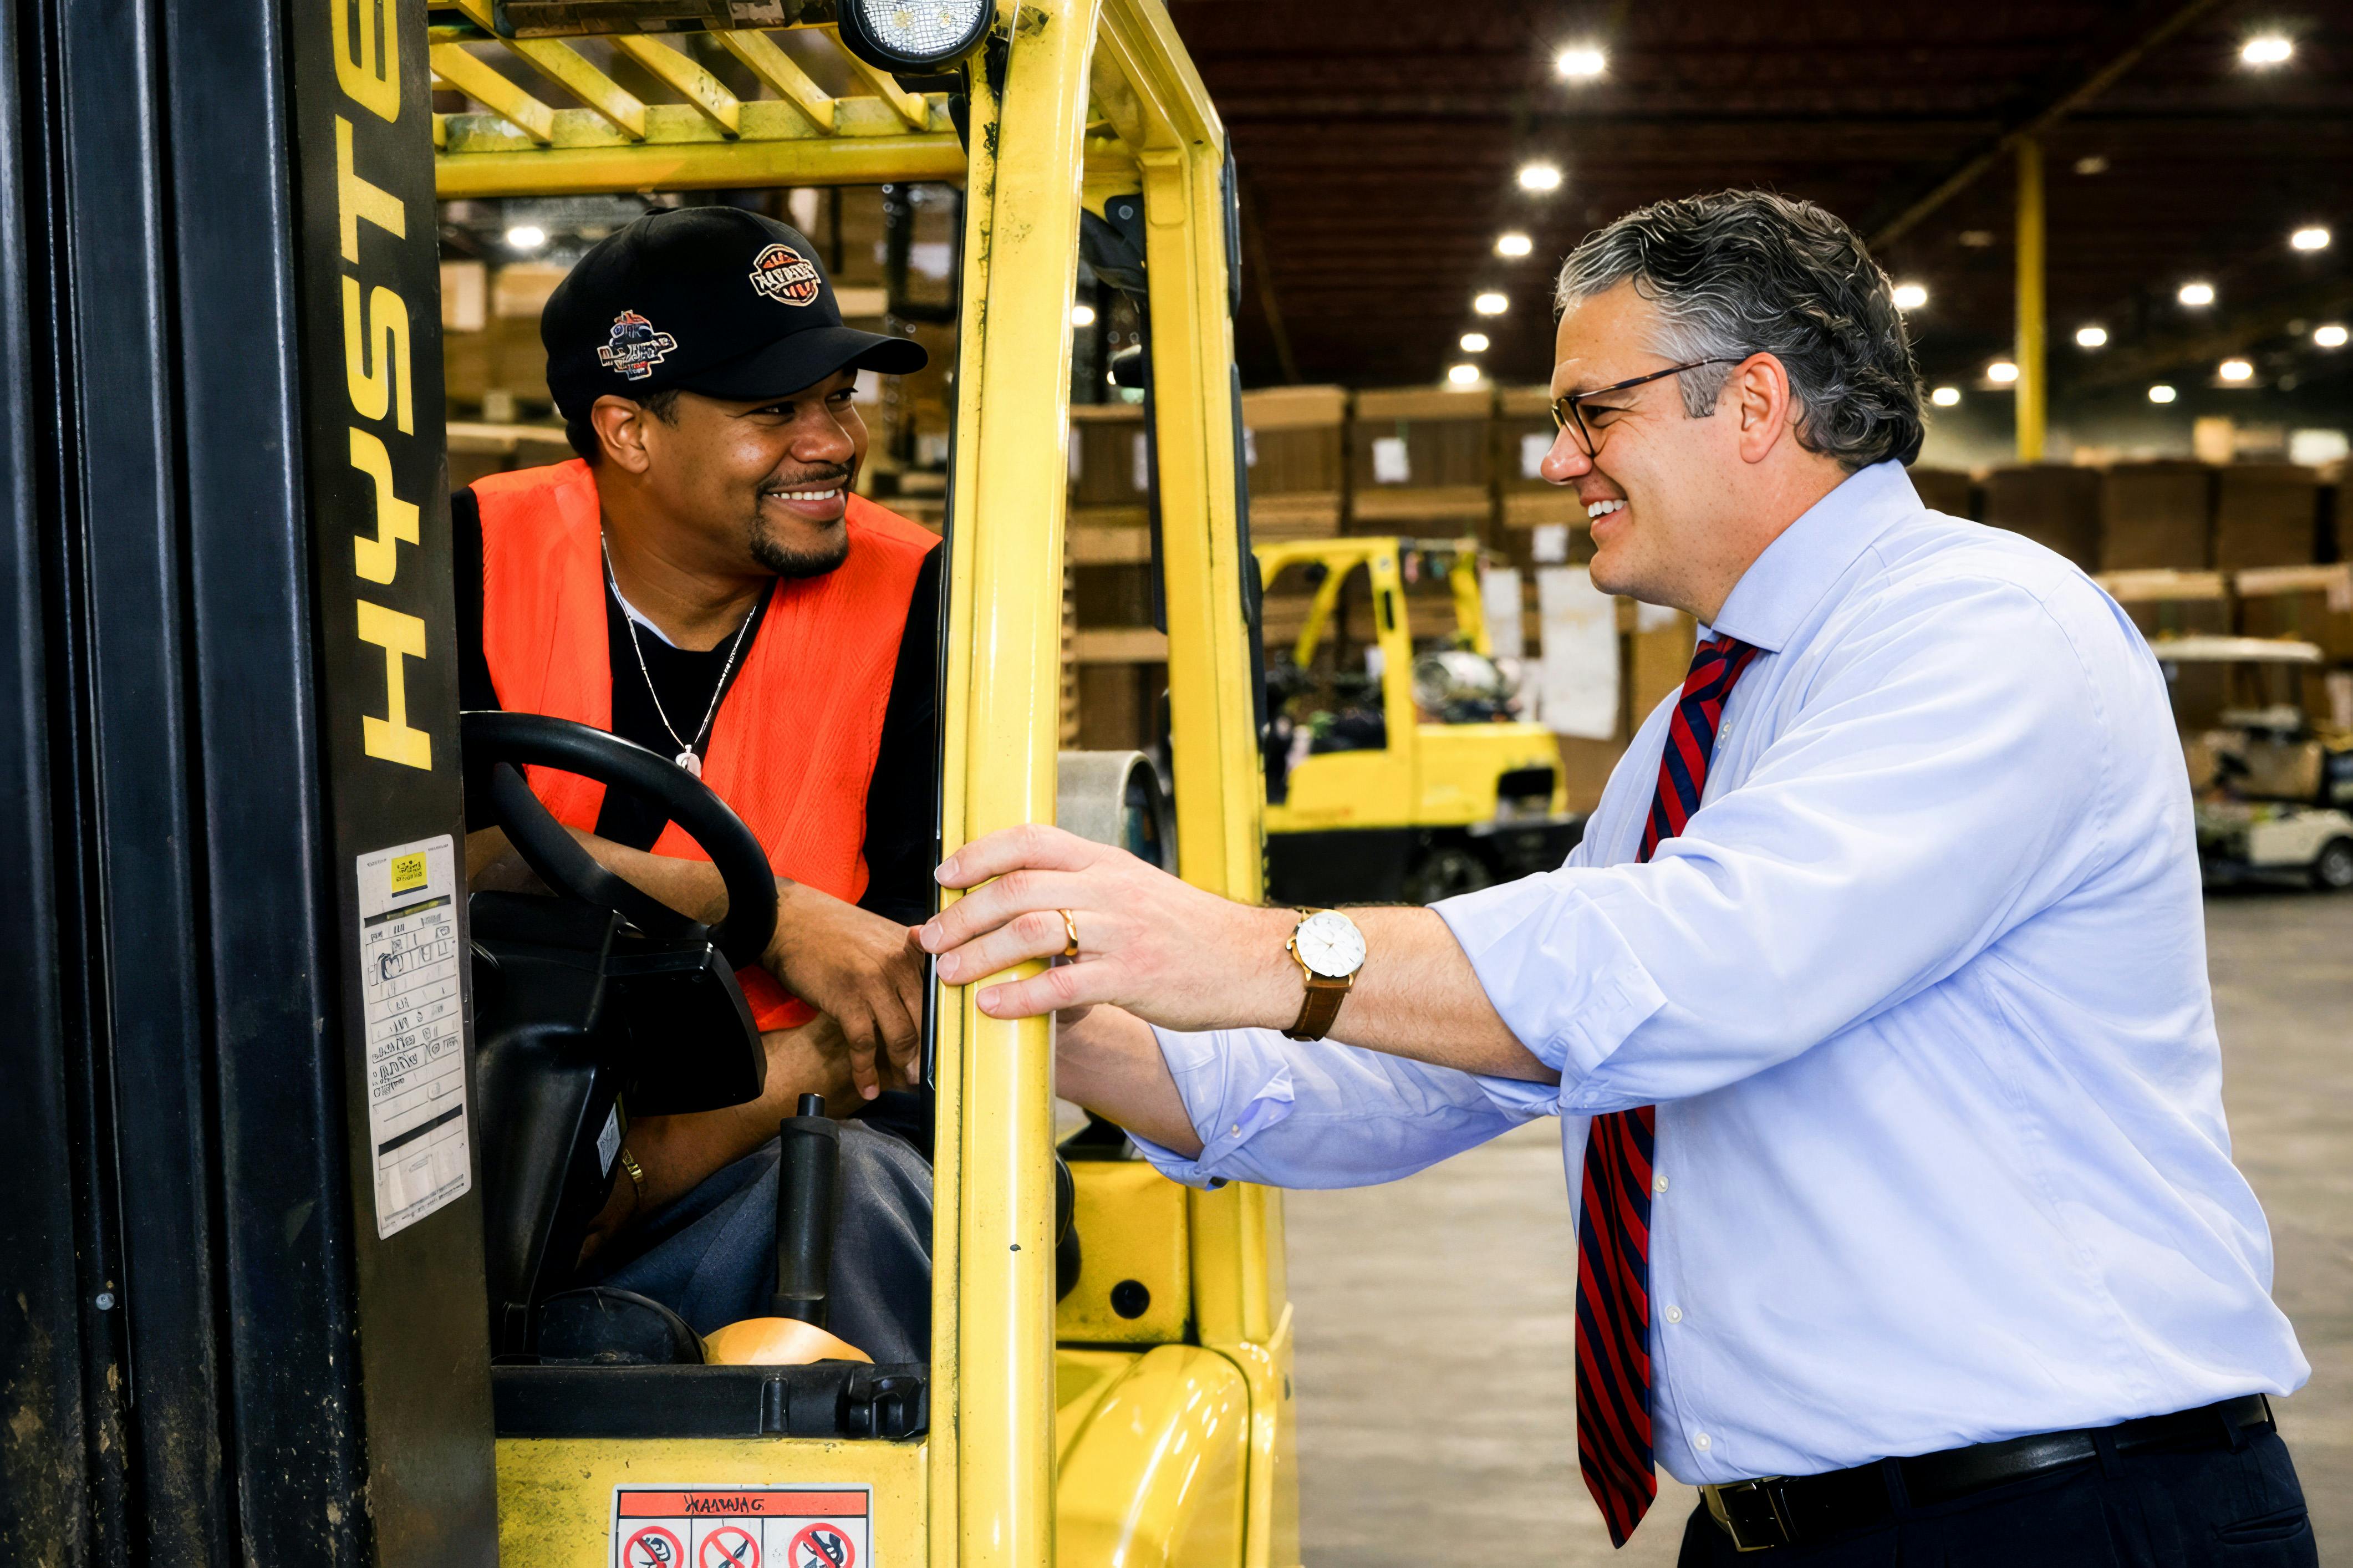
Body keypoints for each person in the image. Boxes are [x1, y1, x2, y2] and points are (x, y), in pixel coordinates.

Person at [917, 191, 2315, 1560]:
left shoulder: (1987, 630)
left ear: (1754, 403)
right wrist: (1053, 1031)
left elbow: (1705, 965)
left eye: (1593, 411)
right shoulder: (1693, 733)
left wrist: (1260, 948)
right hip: (1804, 1519)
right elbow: (1460, 1059)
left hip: (2057, 1515)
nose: (1558, 460)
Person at [458, 205, 936, 1362]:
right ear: (626, 429)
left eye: (838, 398)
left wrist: (645, 1166)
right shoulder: (456, 560)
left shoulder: (921, 599)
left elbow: (913, 995)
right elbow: (409, 861)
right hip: (491, 1136)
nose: (832, 442)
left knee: (852, 1205)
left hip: (791, 1132)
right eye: (775, 411)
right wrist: (762, 908)